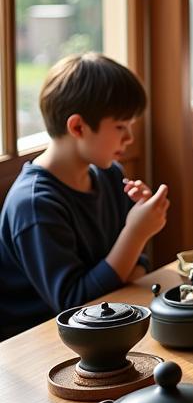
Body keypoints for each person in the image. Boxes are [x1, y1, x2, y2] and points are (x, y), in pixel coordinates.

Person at [0, 54, 169, 340]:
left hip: (107, 326)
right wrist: (136, 232)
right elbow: (74, 307)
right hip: (38, 344)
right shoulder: (34, 205)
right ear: (78, 127)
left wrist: (135, 234)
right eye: (120, 127)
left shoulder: (108, 175)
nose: (129, 138)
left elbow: (136, 265)